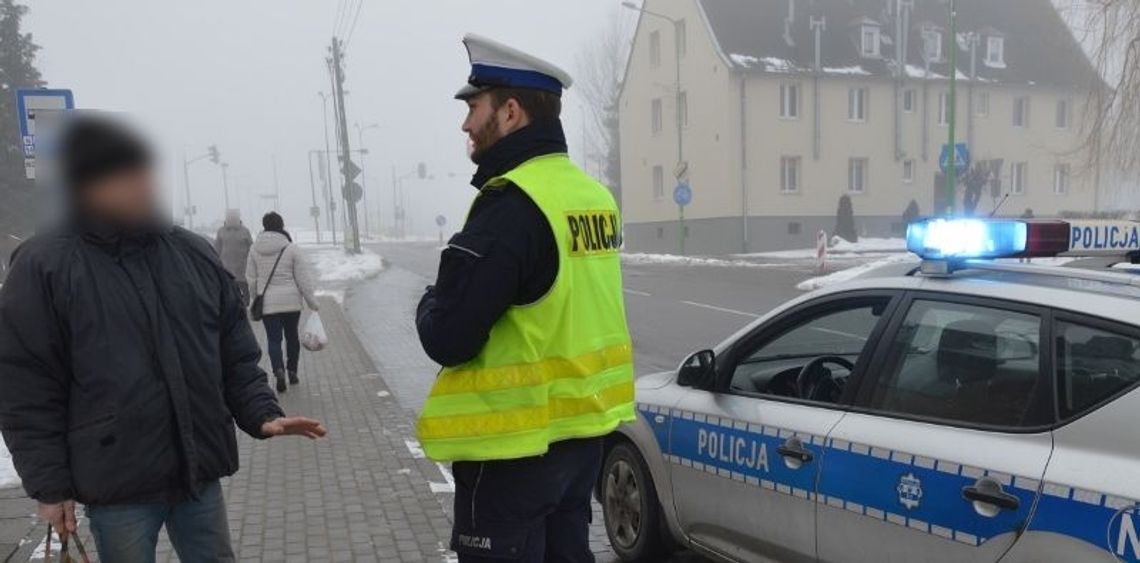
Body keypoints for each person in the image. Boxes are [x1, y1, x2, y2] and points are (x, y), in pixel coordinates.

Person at [0, 114, 327, 563]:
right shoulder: (46, 265)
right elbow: (26, 387)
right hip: (117, 487)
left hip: (197, 473)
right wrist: (50, 486)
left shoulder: (190, 252)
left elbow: (234, 351)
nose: (141, 185)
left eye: (143, 172)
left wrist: (262, 413)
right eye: (123, 174)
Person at [415, 35, 636, 563]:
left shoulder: (512, 204)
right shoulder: (593, 197)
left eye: (474, 108)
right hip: (580, 442)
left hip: (511, 450)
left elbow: (448, 336)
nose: (466, 125)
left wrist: (428, 299)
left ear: (510, 112)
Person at [247, 211, 319, 393]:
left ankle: (278, 370)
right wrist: (312, 302)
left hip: (268, 303)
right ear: (281, 226)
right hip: (291, 302)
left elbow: (251, 278)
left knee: (273, 339)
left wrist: (255, 297)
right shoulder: (291, 248)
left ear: (264, 226)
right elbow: (303, 278)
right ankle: (292, 371)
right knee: (292, 336)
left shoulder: (255, 249)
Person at [214, 209, 254, 307]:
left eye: (234, 217)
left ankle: (244, 304)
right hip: (227, 266)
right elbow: (217, 248)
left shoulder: (245, 231)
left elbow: (251, 248)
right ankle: (234, 305)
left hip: (240, 265)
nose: (232, 219)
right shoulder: (221, 231)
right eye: (230, 217)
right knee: (230, 287)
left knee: (242, 286)